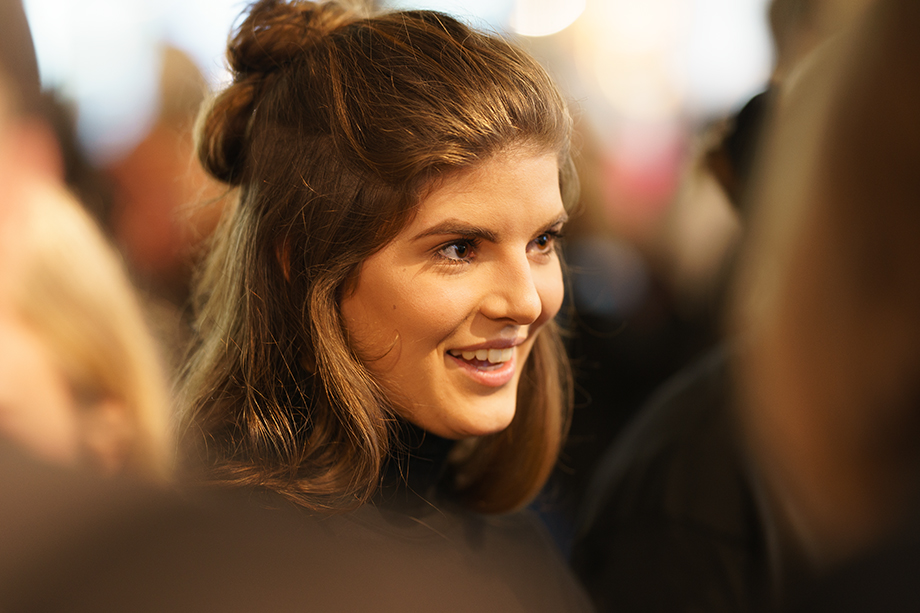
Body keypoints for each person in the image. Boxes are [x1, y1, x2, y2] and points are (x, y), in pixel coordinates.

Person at [179, 1, 589, 609]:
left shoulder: (512, 544)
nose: (527, 302)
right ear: (301, 262)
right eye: (459, 248)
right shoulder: (219, 565)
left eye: (542, 242)